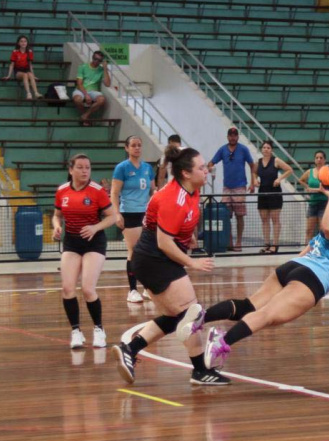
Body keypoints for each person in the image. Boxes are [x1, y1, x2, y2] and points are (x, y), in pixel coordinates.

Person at [176, 188, 329, 372]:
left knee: (249, 306)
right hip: (311, 279)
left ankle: (202, 317)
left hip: (292, 267)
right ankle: (222, 342)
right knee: (267, 316)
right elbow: (327, 227)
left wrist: (291, 270)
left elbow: (309, 248)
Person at [112, 146, 222, 385]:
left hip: (156, 258)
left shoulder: (191, 191)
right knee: (191, 313)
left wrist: (188, 237)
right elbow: (163, 242)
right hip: (156, 259)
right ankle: (200, 371)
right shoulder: (174, 198)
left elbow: (182, 222)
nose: (207, 170)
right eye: (201, 167)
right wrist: (191, 262)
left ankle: (130, 349)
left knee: (175, 317)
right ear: (186, 173)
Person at [52, 154, 116, 349]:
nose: (84, 171)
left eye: (87, 167)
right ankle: (76, 331)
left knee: (88, 289)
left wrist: (95, 227)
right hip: (71, 241)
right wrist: (56, 227)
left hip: (93, 242)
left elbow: (113, 217)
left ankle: (98, 329)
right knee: (67, 288)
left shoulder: (97, 191)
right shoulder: (62, 191)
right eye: (80, 167)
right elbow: (57, 215)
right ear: (71, 170)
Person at [111, 135, 156, 304]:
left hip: (145, 213)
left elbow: (153, 192)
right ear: (127, 148)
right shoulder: (122, 168)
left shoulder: (147, 168)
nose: (137, 148)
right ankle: (132, 290)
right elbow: (114, 193)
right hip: (129, 213)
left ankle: (147, 288)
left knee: (148, 251)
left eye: (139, 145)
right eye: (133, 145)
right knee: (134, 251)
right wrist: (117, 213)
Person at [207, 127, 257, 251]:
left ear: (238, 137)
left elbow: (252, 165)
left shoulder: (243, 149)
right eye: (230, 135)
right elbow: (211, 162)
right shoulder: (222, 149)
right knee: (225, 215)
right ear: (227, 136)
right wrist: (209, 168)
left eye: (235, 135)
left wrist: (252, 182)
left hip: (240, 186)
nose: (232, 137)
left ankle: (239, 241)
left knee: (239, 215)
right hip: (227, 187)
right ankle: (229, 241)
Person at [256, 140, 293, 254]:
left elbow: (289, 170)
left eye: (268, 147)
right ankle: (266, 244)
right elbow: (253, 173)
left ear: (271, 150)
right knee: (264, 219)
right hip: (262, 192)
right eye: (264, 147)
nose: (266, 149)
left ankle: (275, 244)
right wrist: (254, 180)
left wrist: (279, 179)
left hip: (275, 192)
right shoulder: (258, 162)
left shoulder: (276, 160)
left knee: (275, 219)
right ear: (261, 149)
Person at [297, 150, 329, 242]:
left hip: (324, 203)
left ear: (324, 160)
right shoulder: (309, 172)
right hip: (313, 203)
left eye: (321, 158)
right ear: (314, 160)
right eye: (317, 158)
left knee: (322, 230)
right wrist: (307, 187)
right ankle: (307, 252)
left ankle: (322, 252)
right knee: (309, 230)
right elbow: (301, 180)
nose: (319, 160)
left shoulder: (328, 172)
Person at [73, 50, 111, 126]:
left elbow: (107, 84)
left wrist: (105, 68)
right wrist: (86, 95)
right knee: (77, 99)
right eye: (95, 58)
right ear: (92, 57)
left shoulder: (101, 70)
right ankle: (86, 116)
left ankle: (85, 115)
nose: (96, 61)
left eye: (99, 60)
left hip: (94, 91)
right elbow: (79, 83)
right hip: (81, 90)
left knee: (101, 100)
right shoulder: (83, 67)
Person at [2, 35, 42, 100]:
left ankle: (36, 93)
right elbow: (12, 64)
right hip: (18, 71)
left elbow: (30, 65)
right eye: (21, 41)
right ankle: (28, 93)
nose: (23, 43)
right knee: (25, 75)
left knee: (30, 75)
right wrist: (8, 75)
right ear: (18, 43)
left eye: (25, 41)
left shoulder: (29, 52)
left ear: (27, 43)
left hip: (26, 69)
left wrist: (34, 76)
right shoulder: (15, 52)